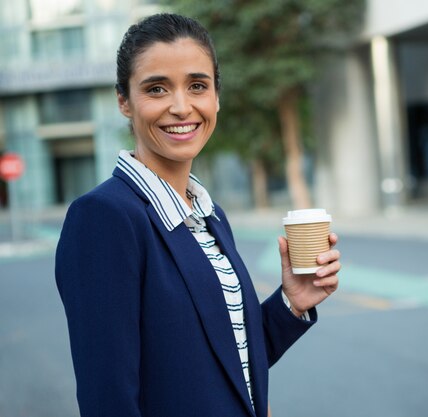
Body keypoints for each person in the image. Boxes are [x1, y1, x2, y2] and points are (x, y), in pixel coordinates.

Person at [55, 13, 340, 417]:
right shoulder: (104, 218)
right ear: (124, 101)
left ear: (216, 97)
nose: (181, 106)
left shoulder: (209, 214)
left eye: (197, 86)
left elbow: (225, 364)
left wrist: (292, 303)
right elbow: (109, 400)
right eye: (156, 88)